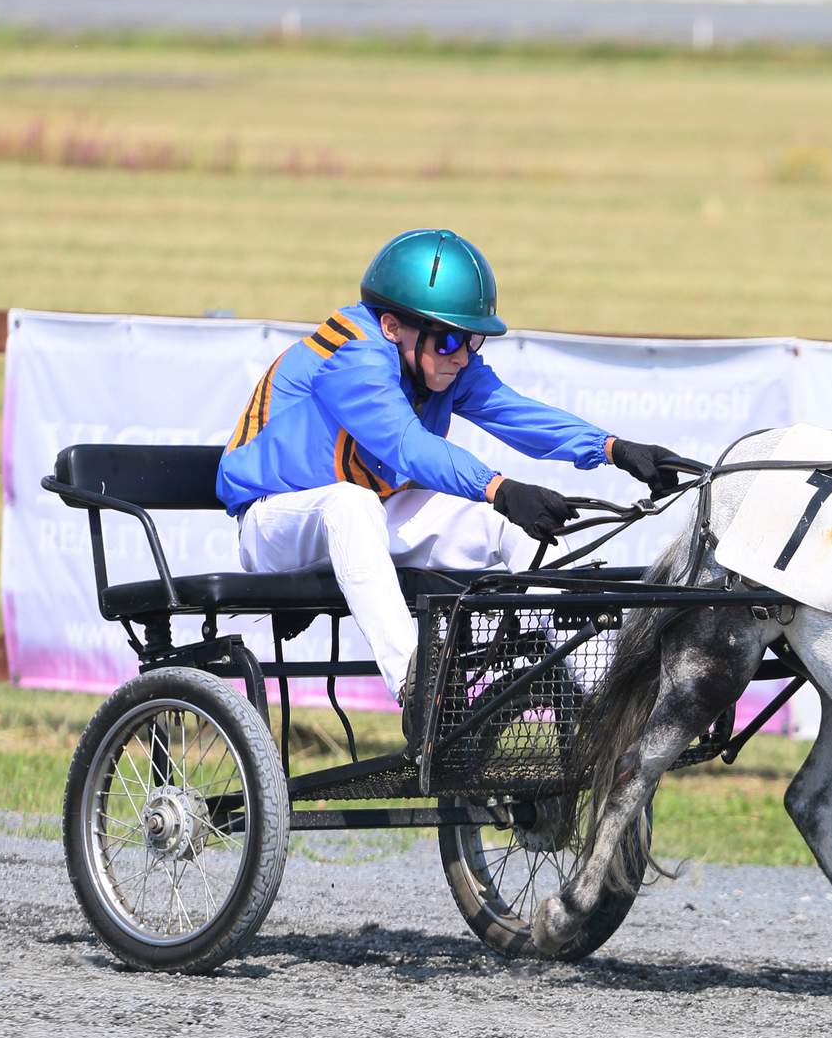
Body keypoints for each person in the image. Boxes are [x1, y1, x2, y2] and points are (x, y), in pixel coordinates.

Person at [216, 228, 687, 706]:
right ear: (392, 326)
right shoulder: (353, 357)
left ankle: (607, 695)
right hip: (274, 528)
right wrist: (499, 486)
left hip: (370, 526)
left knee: (509, 526)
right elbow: (406, 445)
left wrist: (612, 448)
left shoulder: (437, 361)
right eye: (448, 341)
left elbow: (516, 413)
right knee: (351, 502)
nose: (462, 356)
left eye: (473, 341)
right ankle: (417, 690)